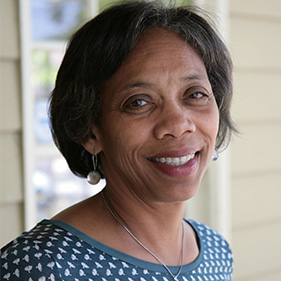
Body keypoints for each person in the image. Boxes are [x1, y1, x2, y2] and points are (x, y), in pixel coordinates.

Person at [1, 1, 236, 280]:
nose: (178, 124)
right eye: (138, 102)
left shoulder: (215, 252)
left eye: (195, 94)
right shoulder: (40, 267)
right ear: (90, 132)